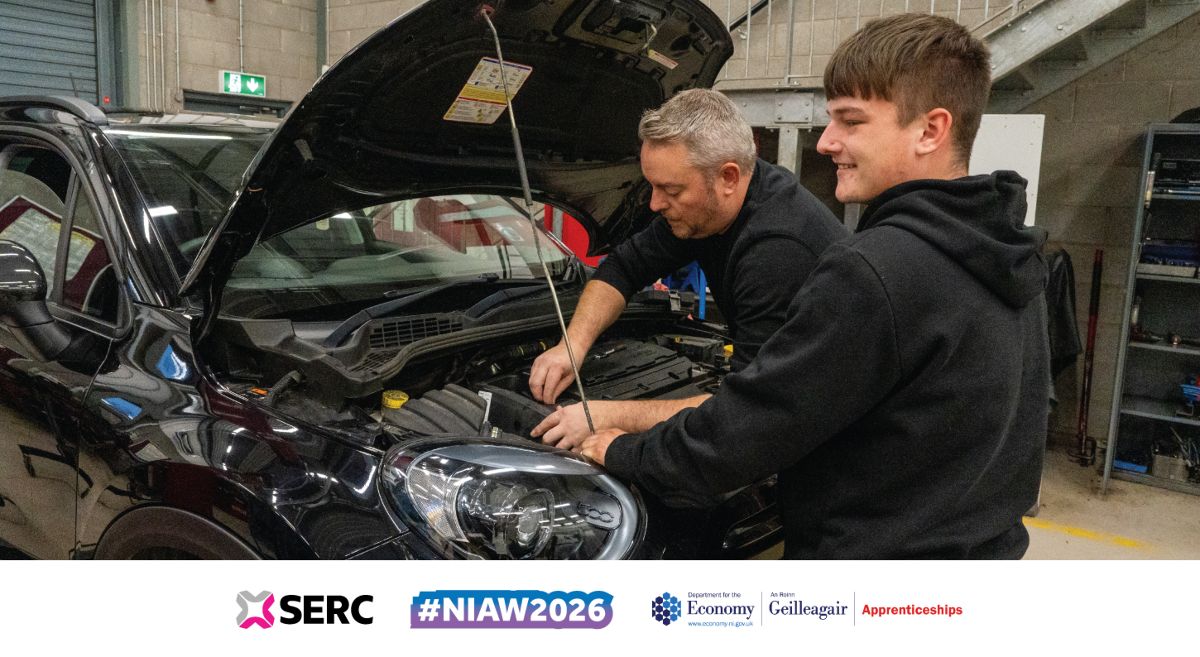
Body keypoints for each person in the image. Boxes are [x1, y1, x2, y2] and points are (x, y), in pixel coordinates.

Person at [578, 13, 1050, 559]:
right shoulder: (1006, 249)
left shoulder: (876, 268)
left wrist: (625, 453)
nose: (826, 142)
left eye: (851, 121)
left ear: (930, 130)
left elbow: (748, 431)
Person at [529, 89, 846, 447]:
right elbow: (624, 267)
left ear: (728, 177)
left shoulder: (777, 252)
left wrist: (605, 416)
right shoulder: (713, 204)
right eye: (651, 186)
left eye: (670, 190)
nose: (654, 204)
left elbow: (747, 409)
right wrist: (572, 346)